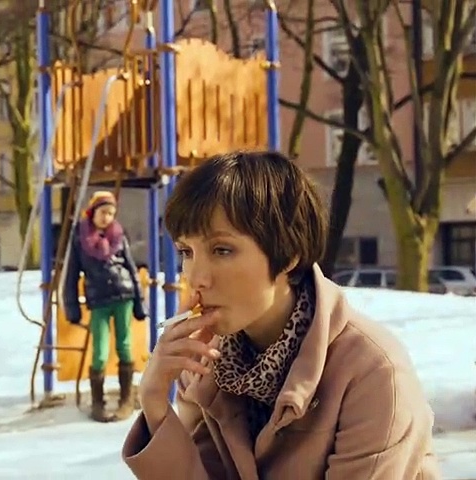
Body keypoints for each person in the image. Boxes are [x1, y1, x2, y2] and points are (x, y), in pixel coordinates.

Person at [122, 151, 439, 479]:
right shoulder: (208, 362)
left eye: (222, 250)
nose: (196, 278)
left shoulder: (372, 372)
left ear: (289, 255)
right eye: (186, 252)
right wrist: (155, 403)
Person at [64, 191, 146, 423]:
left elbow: (131, 268)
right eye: (103, 212)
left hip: (124, 295)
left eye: (111, 213)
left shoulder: (118, 235)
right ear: (92, 212)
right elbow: (71, 275)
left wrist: (140, 302)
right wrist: (72, 307)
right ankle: (98, 402)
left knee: (124, 345)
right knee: (99, 351)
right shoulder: (81, 238)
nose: (107, 217)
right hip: (98, 299)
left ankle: (126, 399)